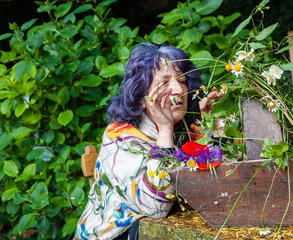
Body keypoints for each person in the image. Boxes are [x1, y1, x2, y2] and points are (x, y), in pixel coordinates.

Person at [74, 43, 224, 240]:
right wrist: (165, 130)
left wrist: (216, 130)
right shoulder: (121, 137)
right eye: (164, 83)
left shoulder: (192, 129)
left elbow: (224, 190)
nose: (179, 89)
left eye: (183, 81)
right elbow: (155, 209)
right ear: (142, 97)